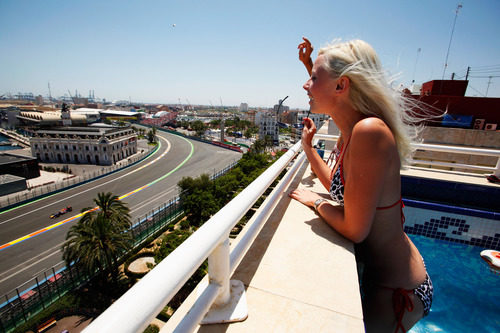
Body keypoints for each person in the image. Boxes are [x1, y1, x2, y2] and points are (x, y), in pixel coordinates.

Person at [290, 37, 433, 333]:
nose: (306, 85)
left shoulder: (369, 131)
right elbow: (340, 187)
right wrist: (308, 148)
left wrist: (316, 203)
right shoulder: (351, 131)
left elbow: (355, 228)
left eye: (314, 79)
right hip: (380, 277)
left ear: (342, 86)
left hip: (397, 290)